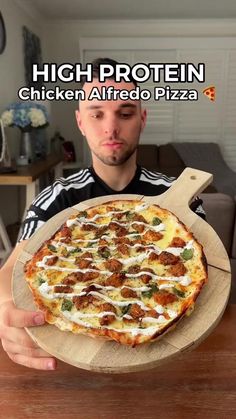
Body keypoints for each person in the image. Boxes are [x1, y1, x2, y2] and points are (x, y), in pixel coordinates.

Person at [0, 58, 205, 371]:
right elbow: (12, 270)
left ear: (143, 118)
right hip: (71, 367)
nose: (111, 127)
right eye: (97, 114)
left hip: (174, 364)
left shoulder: (185, 200)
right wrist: (3, 307)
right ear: (80, 122)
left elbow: (206, 280)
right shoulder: (53, 199)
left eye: (125, 113)